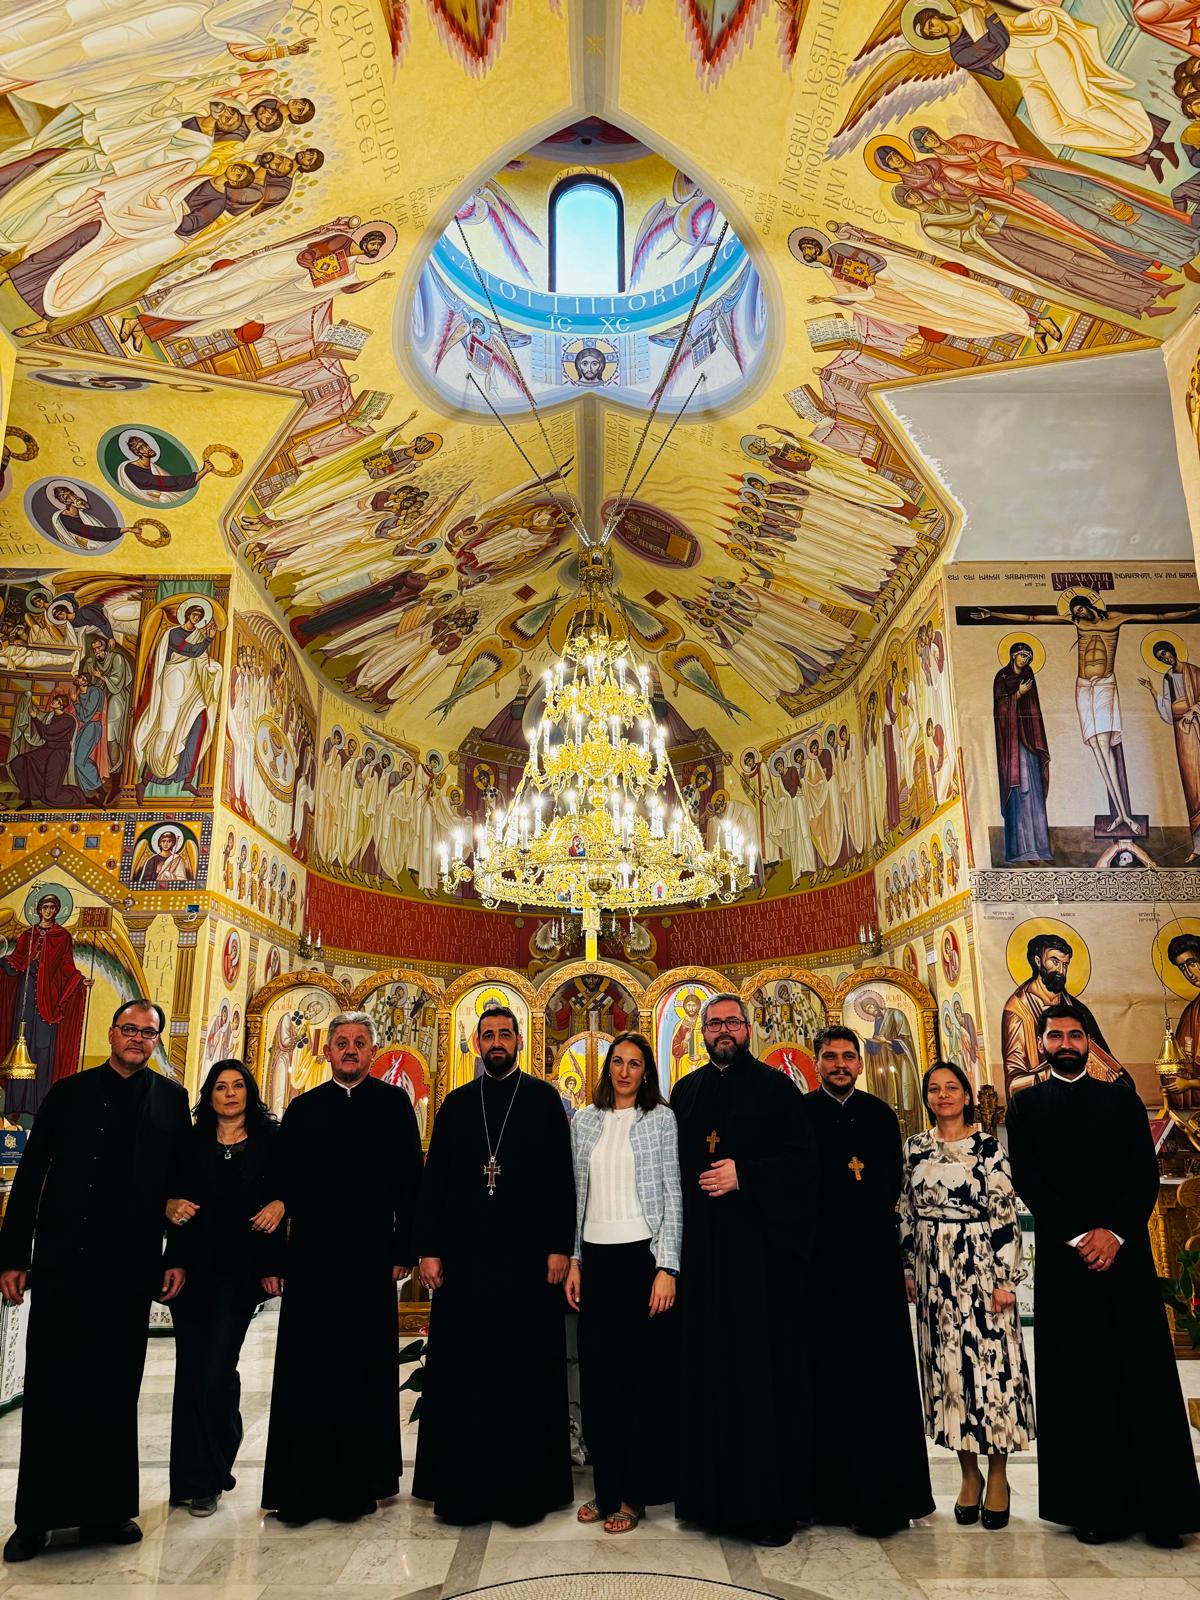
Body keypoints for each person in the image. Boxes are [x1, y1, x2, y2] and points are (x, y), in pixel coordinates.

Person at [0, 1000, 190, 1562]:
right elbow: (33, 1174)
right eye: (129, 1029)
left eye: (147, 1033)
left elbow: (180, 1188)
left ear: (157, 1041)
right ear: (113, 1033)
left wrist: (173, 1256)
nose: (137, 1039)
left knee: (114, 1387)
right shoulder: (68, 1092)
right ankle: (35, 1519)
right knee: (54, 1386)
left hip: (129, 1266)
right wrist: (13, 1254)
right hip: (64, 1260)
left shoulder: (171, 1100)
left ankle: (107, 1511)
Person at [1006, 1004, 1200, 1546]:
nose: (1065, 1043)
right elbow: (1031, 1181)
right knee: (1082, 1382)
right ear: (1041, 1044)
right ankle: (1095, 1509)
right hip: (1068, 1266)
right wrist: (1078, 1235)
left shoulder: (1121, 1101)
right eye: (1055, 1035)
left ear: (1089, 1042)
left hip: (1126, 1258)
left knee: (1142, 1378)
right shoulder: (1026, 1108)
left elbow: (1142, 1175)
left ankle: (1163, 1511)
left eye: (1075, 1035)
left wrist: (1113, 1233)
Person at [415, 1003, 575, 1525]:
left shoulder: (545, 1101)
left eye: (506, 1034)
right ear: (476, 1044)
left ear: (520, 1042)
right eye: (489, 1035)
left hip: (529, 1262)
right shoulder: (457, 1104)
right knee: (466, 1373)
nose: (498, 1042)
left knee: (524, 1371)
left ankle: (525, 1488)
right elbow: (434, 1182)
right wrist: (429, 1248)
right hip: (465, 1263)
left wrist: (559, 1247)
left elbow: (561, 1180)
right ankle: (463, 1488)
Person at [261, 1011, 422, 1524]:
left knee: (362, 1369)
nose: (350, 1050)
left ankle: (359, 1481)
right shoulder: (304, 1109)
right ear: (326, 1052)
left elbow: (410, 1183)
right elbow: (278, 1189)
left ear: (372, 1052)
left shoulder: (394, 1104)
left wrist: (405, 1250)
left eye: (359, 1043)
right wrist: (275, 1261)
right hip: (312, 1261)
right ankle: (301, 1486)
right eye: (341, 1043)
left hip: (370, 1260)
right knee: (308, 1369)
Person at [670, 992, 814, 1545]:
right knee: (706, 1373)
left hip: (760, 1265)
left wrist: (746, 1175)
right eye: (714, 1023)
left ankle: (763, 1505)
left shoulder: (778, 1089)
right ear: (701, 1033)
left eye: (732, 1021)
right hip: (701, 1261)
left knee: (759, 1380)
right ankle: (709, 1501)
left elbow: (804, 1168)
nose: (723, 1030)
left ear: (748, 1028)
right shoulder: (686, 1091)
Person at [799, 1027, 933, 1536]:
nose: (838, 1064)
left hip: (873, 1265)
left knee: (878, 1379)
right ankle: (825, 1496)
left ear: (860, 1064)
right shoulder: (802, 1113)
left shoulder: (880, 1116)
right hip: (818, 1265)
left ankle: (883, 1496)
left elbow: (890, 1188)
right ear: (816, 1063)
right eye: (829, 1056)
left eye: (847, 1057)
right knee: (823, 1372)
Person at [900, 1060, 1033, 1532]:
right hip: (934, 1272)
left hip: (980, 1267)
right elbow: (906, 1211)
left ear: (965, 1095)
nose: (943, 1096)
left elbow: (1005, 1214)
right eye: (934, 1089)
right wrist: (908, 1266)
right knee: (949, 1374)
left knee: (991, 1373)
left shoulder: (987, 1148)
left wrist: (1004, 1279)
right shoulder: (915, 1148)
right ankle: (969, 1475)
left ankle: (999, 1476)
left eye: (951, 1087)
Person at [565, 1032, 681, 1534]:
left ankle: (633, 1495)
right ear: (607, 1068)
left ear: (647, 1072)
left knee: (640, 1384)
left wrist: (667, 1267)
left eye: (635, 1063)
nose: (625, 1071)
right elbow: (573, 1194)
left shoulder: (661, 1119)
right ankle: (605, 1489)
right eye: (618, 1062)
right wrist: (573, 1260)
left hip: (642, 1259)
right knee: (599, 1382)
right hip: (595, 1260)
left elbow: (674, 1194)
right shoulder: (585, 1121)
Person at [164, 1059, 284, 1516]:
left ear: (249, 1093)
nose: (229, 1094)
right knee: (190, 1373)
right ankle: (192, 1479)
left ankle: (217, 1462)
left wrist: (280, 1202)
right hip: (191, 1271)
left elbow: (288, 1189)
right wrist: (169, 1207)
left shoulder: (271, 1141)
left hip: (240, 1273)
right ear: (208, 1095)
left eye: (237, 1086)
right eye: (220, 1087)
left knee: (215, 1370)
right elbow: (168, 1195)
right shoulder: (190, 1141)